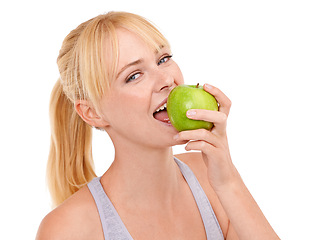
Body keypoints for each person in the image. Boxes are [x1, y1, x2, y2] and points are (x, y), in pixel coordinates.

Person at [36, 11, 280, 240]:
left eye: (163, 59)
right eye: (134, 75)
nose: (167, 79)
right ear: (93, 113)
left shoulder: (210, 177)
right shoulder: (68, 228)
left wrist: (228, 182)